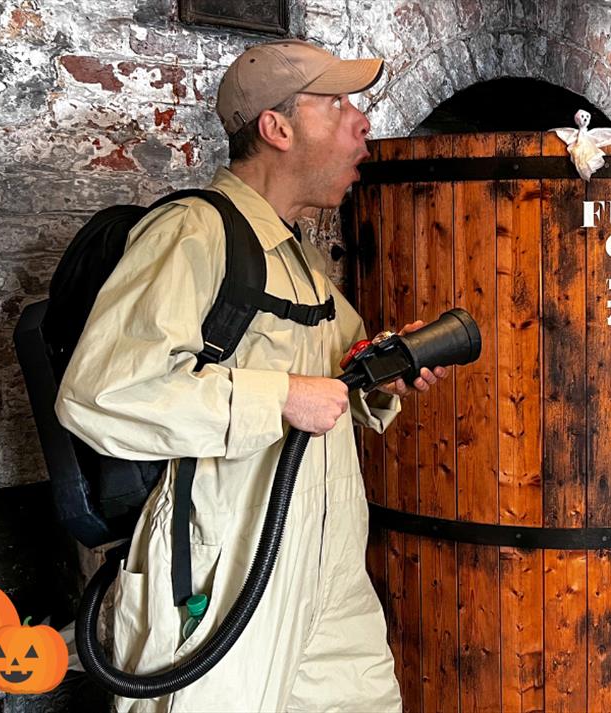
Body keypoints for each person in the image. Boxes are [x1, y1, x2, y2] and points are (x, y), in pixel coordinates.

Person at [54, 38, 445, 712]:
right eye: (338, 104)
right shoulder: (193, 234)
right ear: (277, 127)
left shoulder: (296, 257)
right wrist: (283, 397)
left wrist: (381, 373)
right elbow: (100, 392)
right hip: (228, 574)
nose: (362, 122)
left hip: (330, 576)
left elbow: (339, 373)